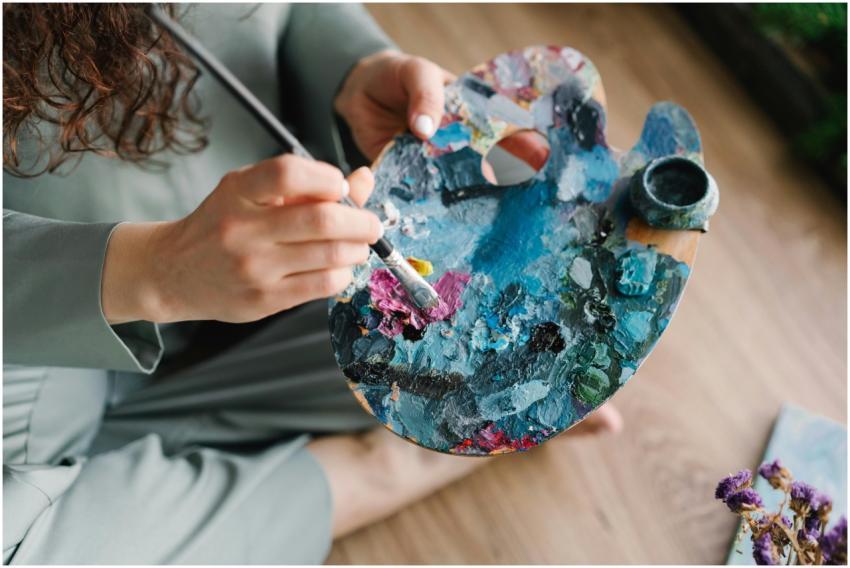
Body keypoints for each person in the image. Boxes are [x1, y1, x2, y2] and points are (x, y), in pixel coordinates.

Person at [2, 3, 622, 564]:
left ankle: (127, 479)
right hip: (29, 328)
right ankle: (371, 473)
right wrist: (147, 270)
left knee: (516, 294)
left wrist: (352, 71)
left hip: (257, 256)